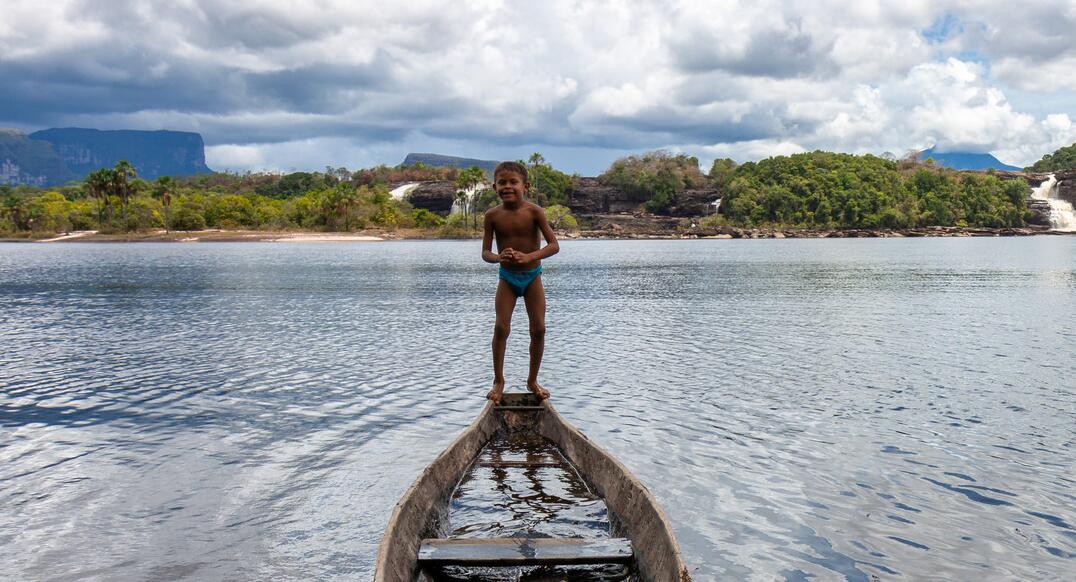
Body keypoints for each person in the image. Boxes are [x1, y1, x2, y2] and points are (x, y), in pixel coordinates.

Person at [481, 161, 560, 404]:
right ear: (495, 187)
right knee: (501, 328)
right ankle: (499, 380)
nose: (507, 186)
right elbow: (485, 252)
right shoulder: (492, 216)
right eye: (502, 183)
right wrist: (497, 258)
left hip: (532, 277)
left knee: (539, 329)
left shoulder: (534, 212)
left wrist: (529, 257)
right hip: (507, 278)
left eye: (513, 182)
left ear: (525, 185)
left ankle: (532, 380)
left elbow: (554, 245)